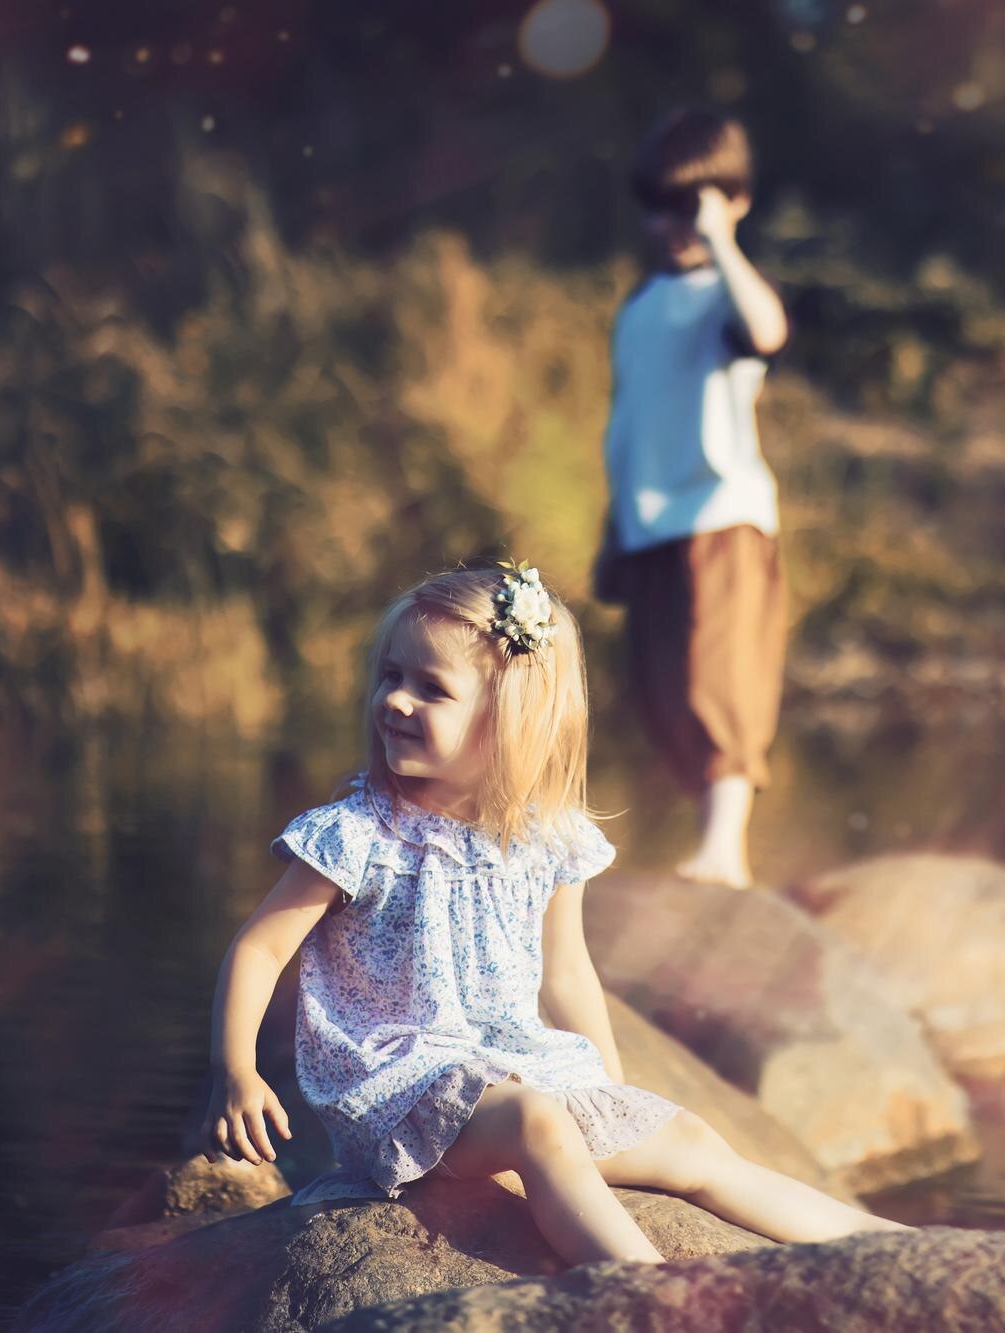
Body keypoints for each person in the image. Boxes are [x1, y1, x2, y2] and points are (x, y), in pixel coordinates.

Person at [202, 564, 901, 1264]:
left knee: (692, 1143)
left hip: (517, 1066)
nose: (396, 701)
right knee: (536, 1124)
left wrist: (612, 1097)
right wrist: (236, 1069)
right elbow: (262, 948)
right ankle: (650, 1294)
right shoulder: (357, 835)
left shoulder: (546, 839)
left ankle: (897, 1248)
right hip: (400, 1084)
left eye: (431, 688)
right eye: (392, 676)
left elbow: (567, 975)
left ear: (510, 718)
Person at [594, 107, 789, 890]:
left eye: (688, 206)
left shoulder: (724, 295)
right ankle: (708, 836)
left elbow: (767, 333)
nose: (670, 225)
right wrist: (613, 526)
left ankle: (725, 847)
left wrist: (722, 241)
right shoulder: (640, 307)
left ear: (732, 201)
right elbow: (628, 424)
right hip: (648, 524)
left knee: (719, 678)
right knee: (662, 690)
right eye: (659, 208)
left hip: (719, 515)